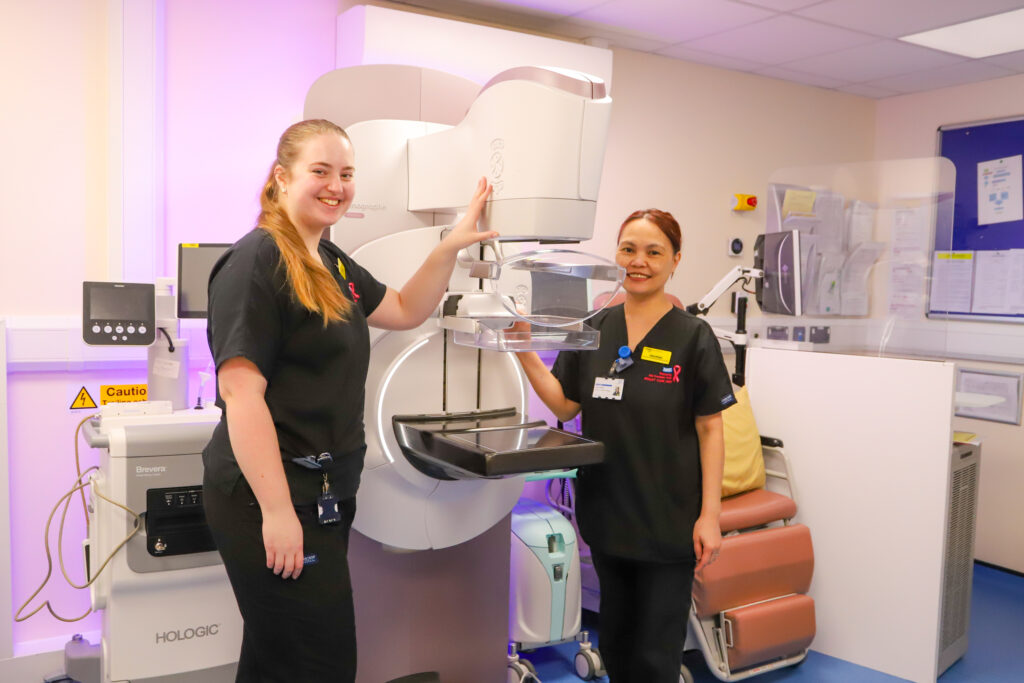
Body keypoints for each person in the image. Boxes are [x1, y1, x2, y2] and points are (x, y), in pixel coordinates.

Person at [201, 118, 494, 682]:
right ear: (282, 177)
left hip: (324, 495)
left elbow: (407, 307)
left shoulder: (331, 263)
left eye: (346, 174)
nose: (336, 185)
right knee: (321, 664)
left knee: (275, 659)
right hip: (269, 496)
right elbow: (241, 394)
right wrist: (279, 512)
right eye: (321, 171)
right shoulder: (255, 262)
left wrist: (452, 243)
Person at [514, 209, 736, 682]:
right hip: (608, 511)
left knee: (656, 655)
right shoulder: (594, 328)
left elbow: (711, 429)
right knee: (615, 643)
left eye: (654, 252)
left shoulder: (693, 337)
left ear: (675, 260)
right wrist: (525, 350)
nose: (639, 261)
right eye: (628, 249)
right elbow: (566, 404)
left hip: (668, 519)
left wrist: (710, 516)